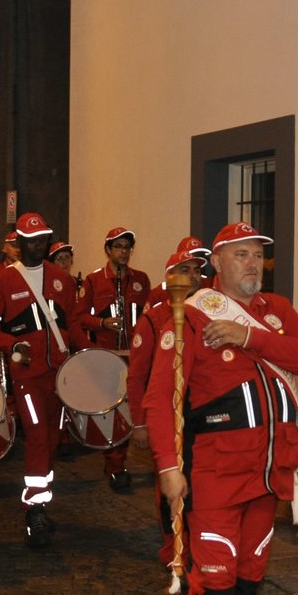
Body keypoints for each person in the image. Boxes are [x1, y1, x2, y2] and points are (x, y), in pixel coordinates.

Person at [144, 221, 298, 595]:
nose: (251, 264)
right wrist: (169, 469)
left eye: (257, 256)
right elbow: (160, 400)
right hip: (217, 475)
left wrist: (250, 336)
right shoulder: (191, 316)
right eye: (240, 255)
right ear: (216, 265)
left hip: (270, 475)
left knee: (249, 579)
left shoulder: (277, 313)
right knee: (217, 582)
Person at [0, 211, 80, 548]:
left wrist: (92, 360)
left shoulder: (62, 279)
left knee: (52, 438)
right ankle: (34, 507)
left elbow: (74, 324)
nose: (36, 246)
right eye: (30, 241)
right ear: (19, 244)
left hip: (60, 375)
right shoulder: (5, 280)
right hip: (27, 376)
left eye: (42, 240)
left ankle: (42, 498)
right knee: (37, 435)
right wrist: (11, 344)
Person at [127, 243, 201, 568]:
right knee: (170, 489)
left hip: (199, 419)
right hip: (167, 419)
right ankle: (174, 547)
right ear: (169, 277)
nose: (192, 277)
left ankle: (196, 549)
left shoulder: (209, 315)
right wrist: (139, 423)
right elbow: (137, 377)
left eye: (197, 270)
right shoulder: (154, 320)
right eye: (184, 270)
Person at [78, 226, 151, 491]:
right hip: (108, 356)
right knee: (114, 411)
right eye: (118, 246)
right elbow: (79, 317)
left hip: (135, 356)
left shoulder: (142, 279)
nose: (124, 252)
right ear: (108, 250)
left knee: (137, 409)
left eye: (127, 247)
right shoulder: (93, 280)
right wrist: (102, 322)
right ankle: (115, 465)